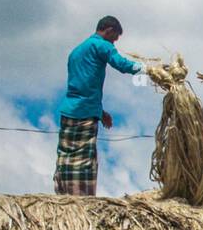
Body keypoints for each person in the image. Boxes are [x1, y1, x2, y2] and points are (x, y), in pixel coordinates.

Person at [55, 16, 145, 196]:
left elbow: (82, 85)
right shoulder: (101, 45)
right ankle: (81, 198)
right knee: (83, 161)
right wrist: (145, 69)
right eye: (115, 37)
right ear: (109, 30)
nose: (115, 41)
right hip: (85, 114)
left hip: (69, 110)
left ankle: (63, 193)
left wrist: (101, 112)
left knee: (66, 157)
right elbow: (121, 64)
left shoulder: (76, 52)